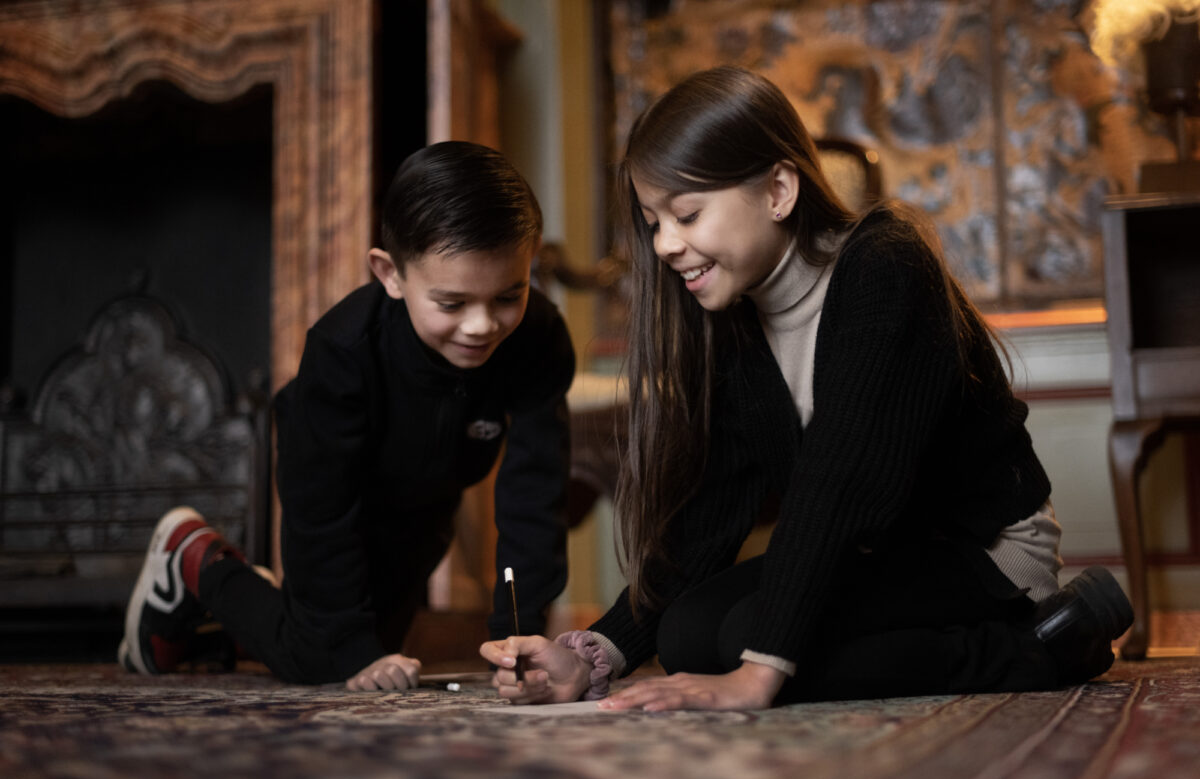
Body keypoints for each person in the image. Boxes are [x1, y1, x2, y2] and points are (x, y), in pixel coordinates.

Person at [480, 66, 1132, 710]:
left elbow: (840, 477)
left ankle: (1045, 643)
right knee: (686, 635)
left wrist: (762, 671)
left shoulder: (885, 264)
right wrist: (596, 651)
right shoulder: (736, 322)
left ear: (779, 191)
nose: (666, 245)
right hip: (880, 553)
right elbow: (713, 511)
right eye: (654, 222)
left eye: (686, 214)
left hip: (981, 550)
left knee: (753, 643)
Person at [120, 141, 575, 690]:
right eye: (452, 304)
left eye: (509, 295)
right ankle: (192, 556)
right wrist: (350, 646)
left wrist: (520, 635)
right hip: (341, 494)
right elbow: (321, 508)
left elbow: (534, 496)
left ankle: (259, 613)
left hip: (427, 507)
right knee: (327, 659)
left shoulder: (540, 338)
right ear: (390, 274)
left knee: (355, 644)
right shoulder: (343, 350)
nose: (481, 325)